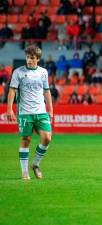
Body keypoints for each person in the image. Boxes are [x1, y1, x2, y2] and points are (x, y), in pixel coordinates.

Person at [6, 45, 53, 180]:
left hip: (41, 111)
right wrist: (9, 109)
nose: (29, 60)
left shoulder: (43, 72)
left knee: (47, 138)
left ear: (37, 59)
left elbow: (46, 91)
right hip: (25, 112)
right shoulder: (18, 72)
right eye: (27, 57)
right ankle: (24, 172)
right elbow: (12, 91)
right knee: (26, 139)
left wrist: (50, 109)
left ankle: (35, 164)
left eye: (32, 58)